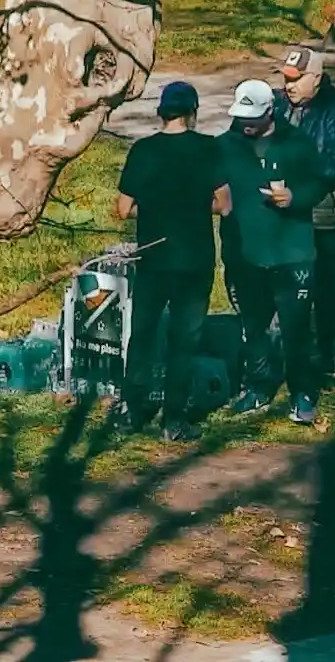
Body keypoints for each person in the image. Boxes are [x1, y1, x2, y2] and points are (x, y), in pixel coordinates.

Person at [116, 81, 232, 441]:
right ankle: (174, 420)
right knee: (184, 340)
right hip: (194, 260)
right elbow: (224, 205)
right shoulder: (208, 148)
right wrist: (194, 207)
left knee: (143, 334)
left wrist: (155, 208)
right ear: (193, 113)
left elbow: (122, 209)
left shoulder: (143, 150)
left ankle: (131, 411)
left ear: (161, 113)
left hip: (153, 258)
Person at [218, 79, 326, 423]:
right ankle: (258, 386)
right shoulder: (224, 146)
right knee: (253, 326)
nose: (245, 123)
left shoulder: (297, 143)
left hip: (292, 252)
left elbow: (319, 183)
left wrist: (295, 197)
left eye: (252, 117)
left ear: (270, 112)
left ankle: (302, 392)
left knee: (295, 328)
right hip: (244, 253)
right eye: (241, 116)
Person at [274, 45, 335, 378]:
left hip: (323, 214)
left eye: (296, 79)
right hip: (287, 211)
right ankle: (288, 344)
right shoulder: (278, 106)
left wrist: (295, 176)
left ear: (317, 78)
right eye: (286, 79)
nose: (289, 86)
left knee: (326, 283)